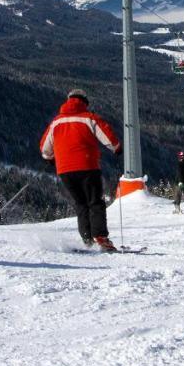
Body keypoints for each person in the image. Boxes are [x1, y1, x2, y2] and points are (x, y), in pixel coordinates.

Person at [40, 89, 121, 252]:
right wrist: (117, 149)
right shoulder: (89, 118)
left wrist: (50, 159)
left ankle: (87, 238)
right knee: (95, 202)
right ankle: (101, 238)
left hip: (64, 170)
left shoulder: (56, 122)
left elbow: (44, 149)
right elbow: (109, 138)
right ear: (85, 102)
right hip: (87, 166)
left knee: (81, 203)